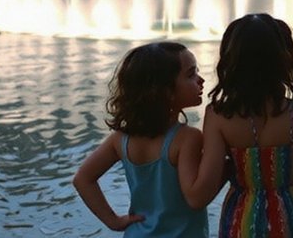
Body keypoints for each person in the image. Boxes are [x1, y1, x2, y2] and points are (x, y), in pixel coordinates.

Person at [190, 13, 293, 237]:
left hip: (241, 221)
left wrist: (237, 169)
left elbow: (202, 194)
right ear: (285, 60)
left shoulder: (218, 116)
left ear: (230, 61)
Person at [73, 42, 210, 237]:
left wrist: (113, 221)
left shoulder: (120, 139)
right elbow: (196, 196)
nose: (201, 80)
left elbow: (83, 179)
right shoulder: (187, 138)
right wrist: (228, 168)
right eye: (191, 74)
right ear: (165, 91)